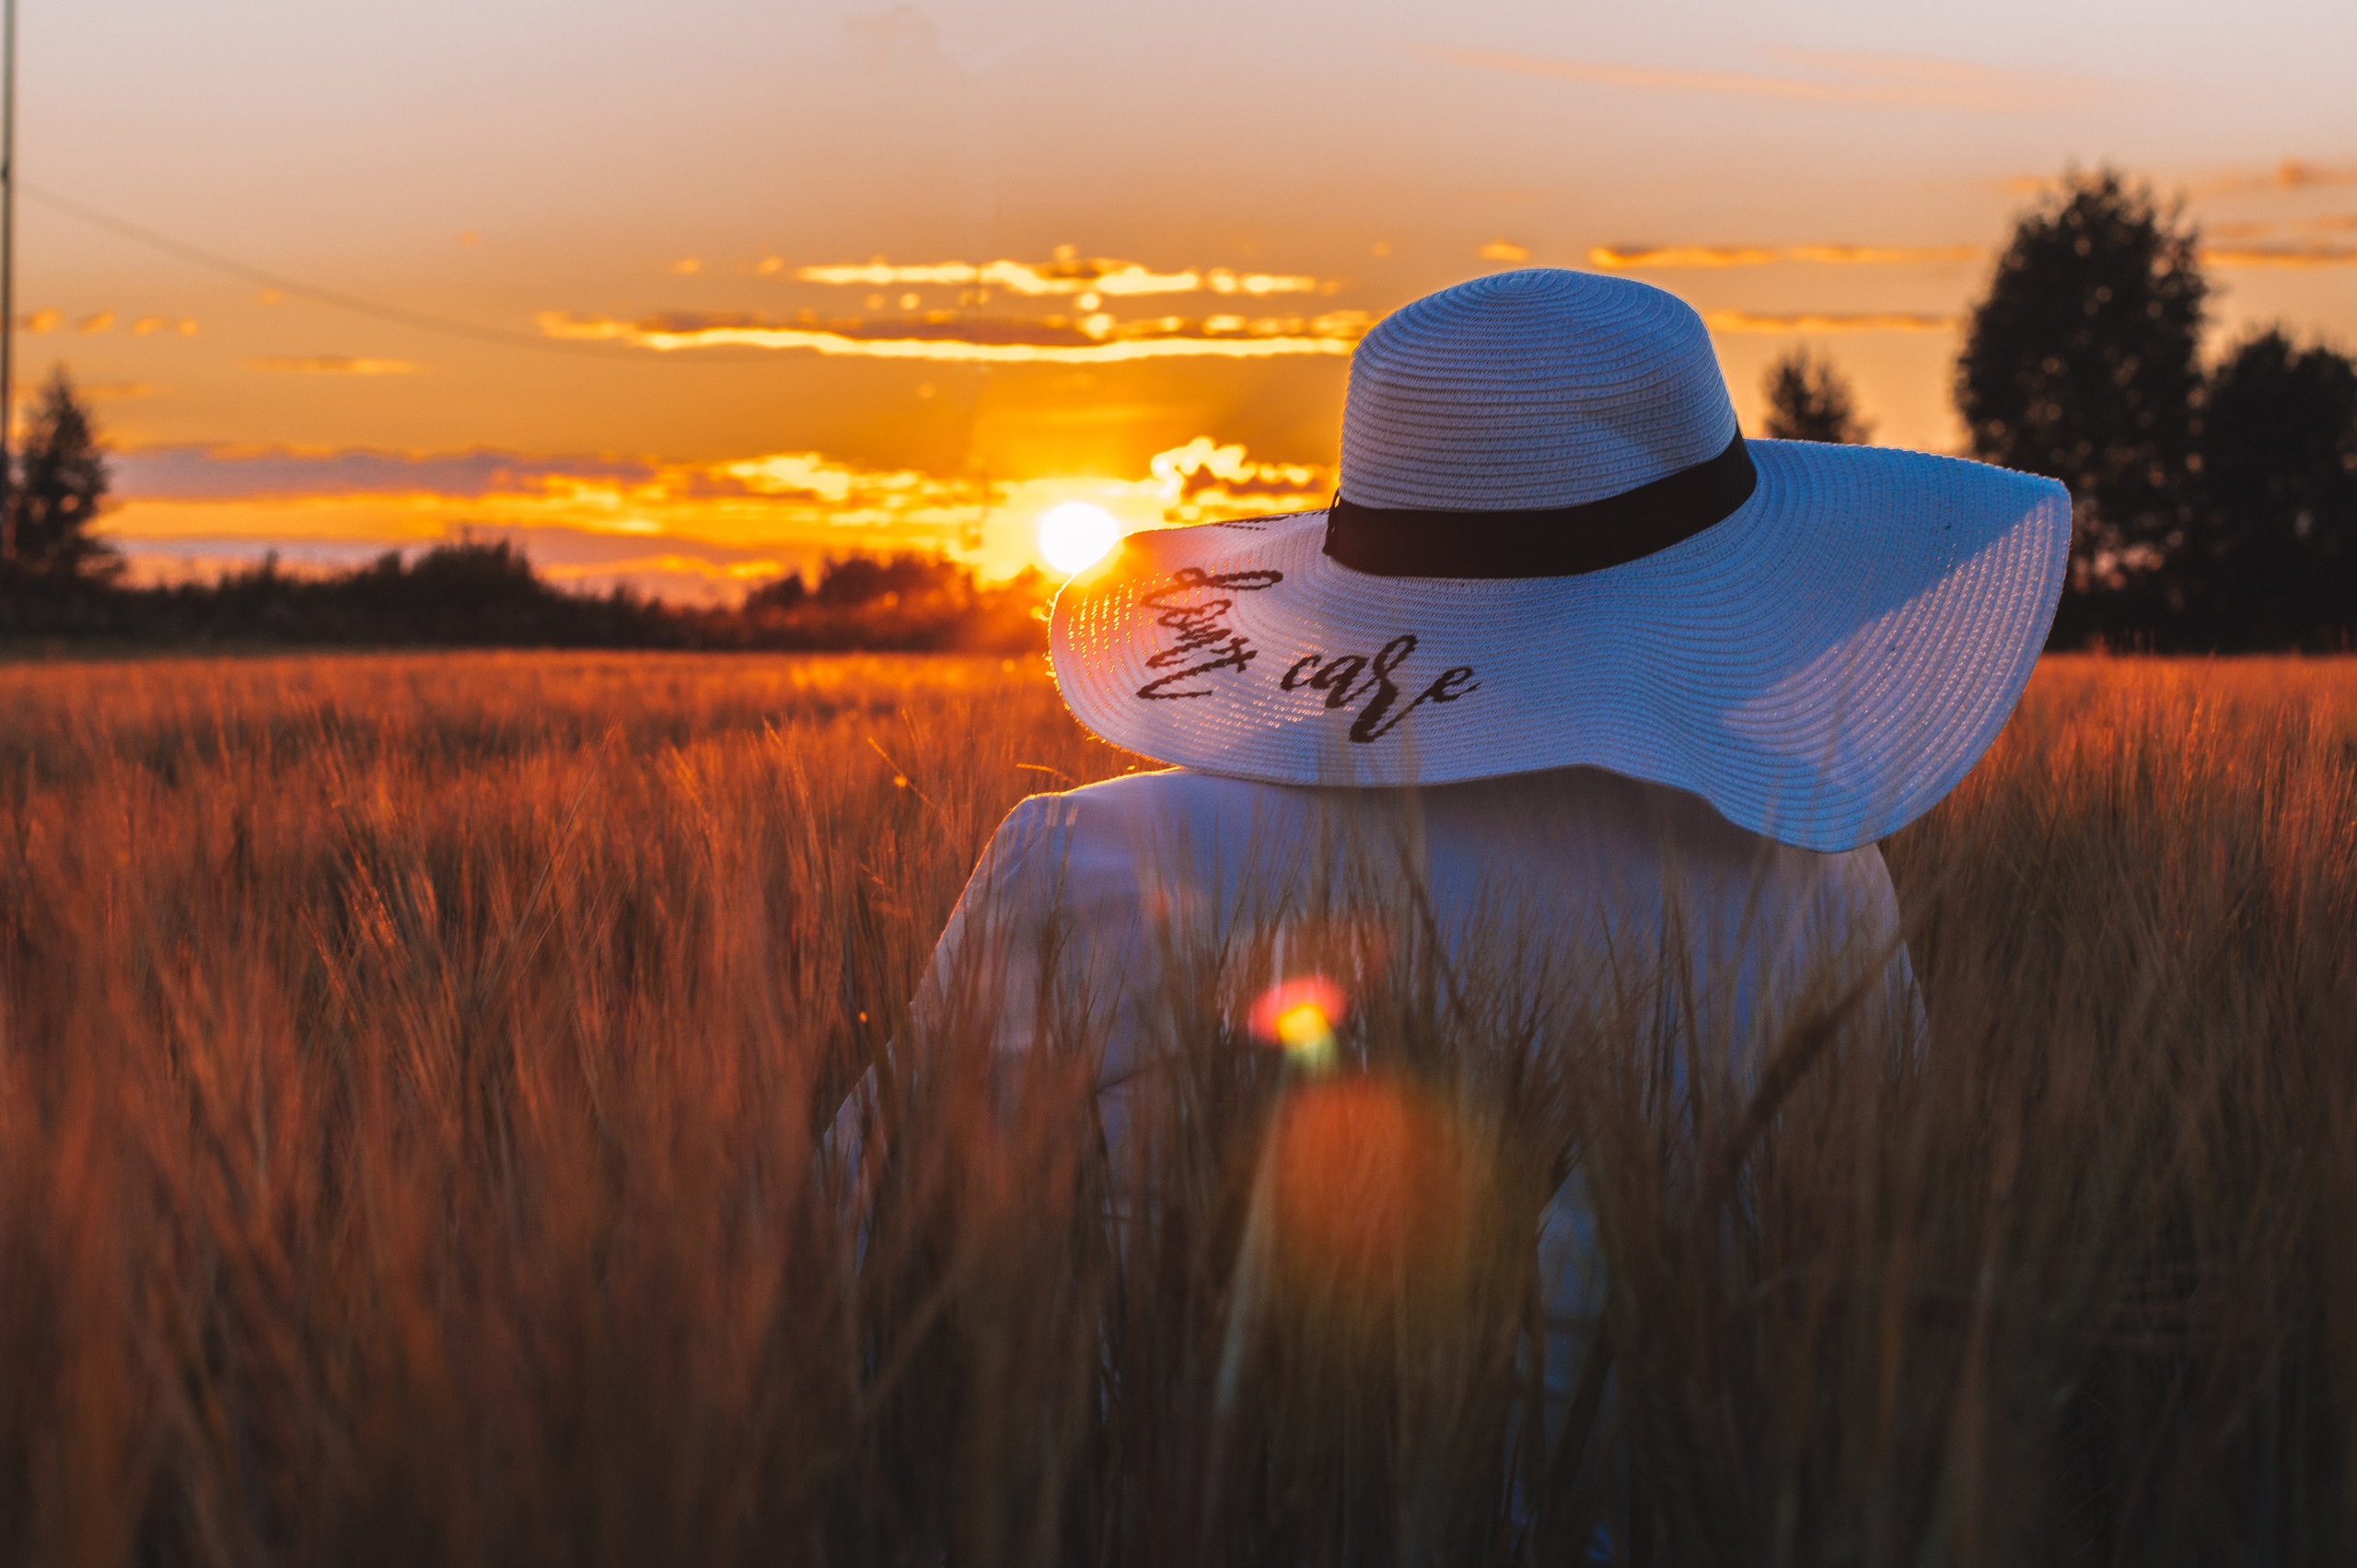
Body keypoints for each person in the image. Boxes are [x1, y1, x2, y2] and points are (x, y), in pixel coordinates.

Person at [909, 267, 2068, 1471]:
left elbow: (863, 1270)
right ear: (1720, 581)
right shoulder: (1812, 889)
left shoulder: (1075, 862)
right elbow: (1882, 1320)